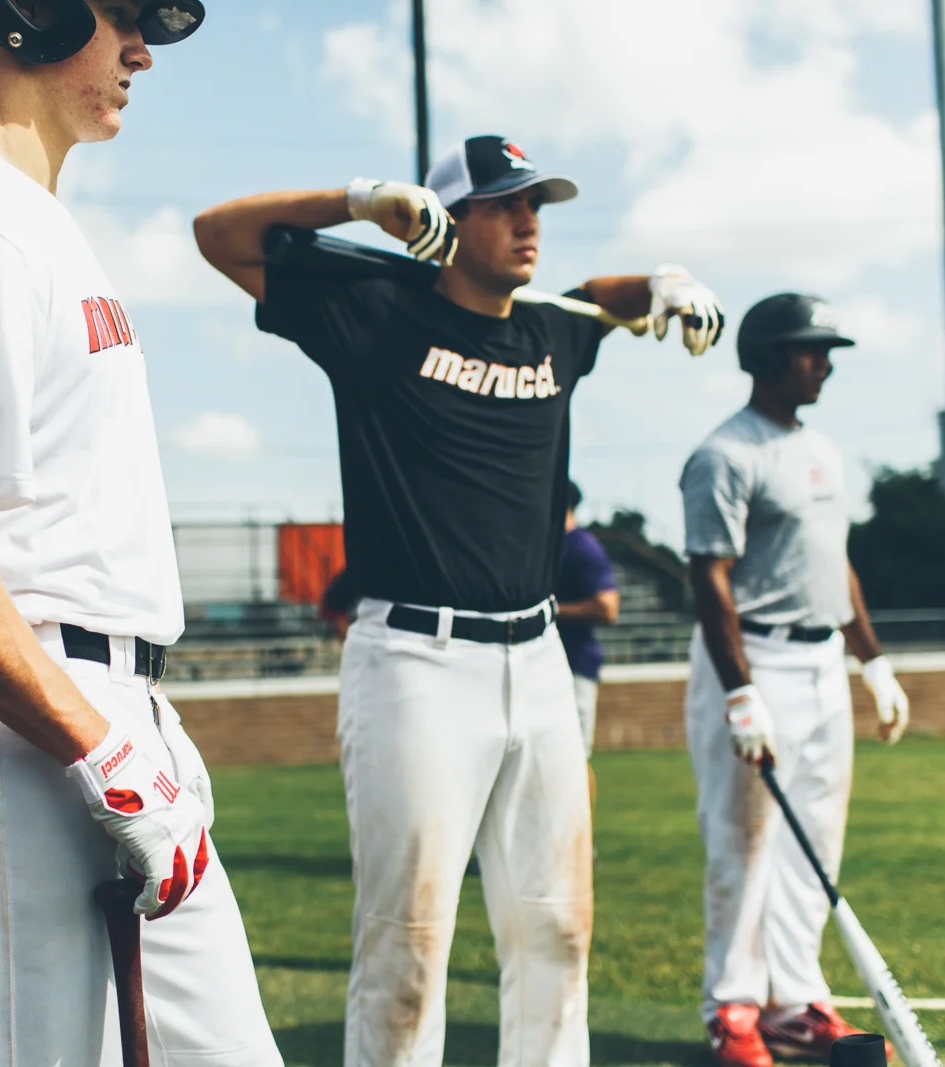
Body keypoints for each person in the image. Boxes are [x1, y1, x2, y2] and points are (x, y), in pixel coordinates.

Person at [193, 134, 725, 1067]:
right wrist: (361, 201)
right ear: (446, 217)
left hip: (541, 660)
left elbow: (603, 300)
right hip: (416, 662)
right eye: (506, 203)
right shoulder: (373, 312)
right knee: (409, 940)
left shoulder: (552, 329)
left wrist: (661, 285)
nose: (529, 222)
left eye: (536, 205)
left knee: (558, 929)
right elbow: (218, 235)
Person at [0, 3, 281, 1065]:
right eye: (120, 15)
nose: (141, 51)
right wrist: (99, 745)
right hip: (19, 726)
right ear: (27, 14)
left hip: (88, 712)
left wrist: (128, 732)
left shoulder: (23, 214)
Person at [679, 294, 912, 1067]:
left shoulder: (823, 451)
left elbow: (834, 563)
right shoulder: (724, 454)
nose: (825, 366)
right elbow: (709, 576)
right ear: (766, 356)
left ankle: (794, 1002)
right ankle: (732, 1006)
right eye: (811, 350)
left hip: (820, 664)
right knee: (743, 840)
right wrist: (739, 692)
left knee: (815, 837)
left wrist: (871, 659)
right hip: (754, 657)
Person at [555, 480, 620, 762]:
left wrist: (552, 611)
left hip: (575, 664)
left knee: (575, 761)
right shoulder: (549, 546)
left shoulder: (581, 546)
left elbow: (608, 608)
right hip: (552, 663)